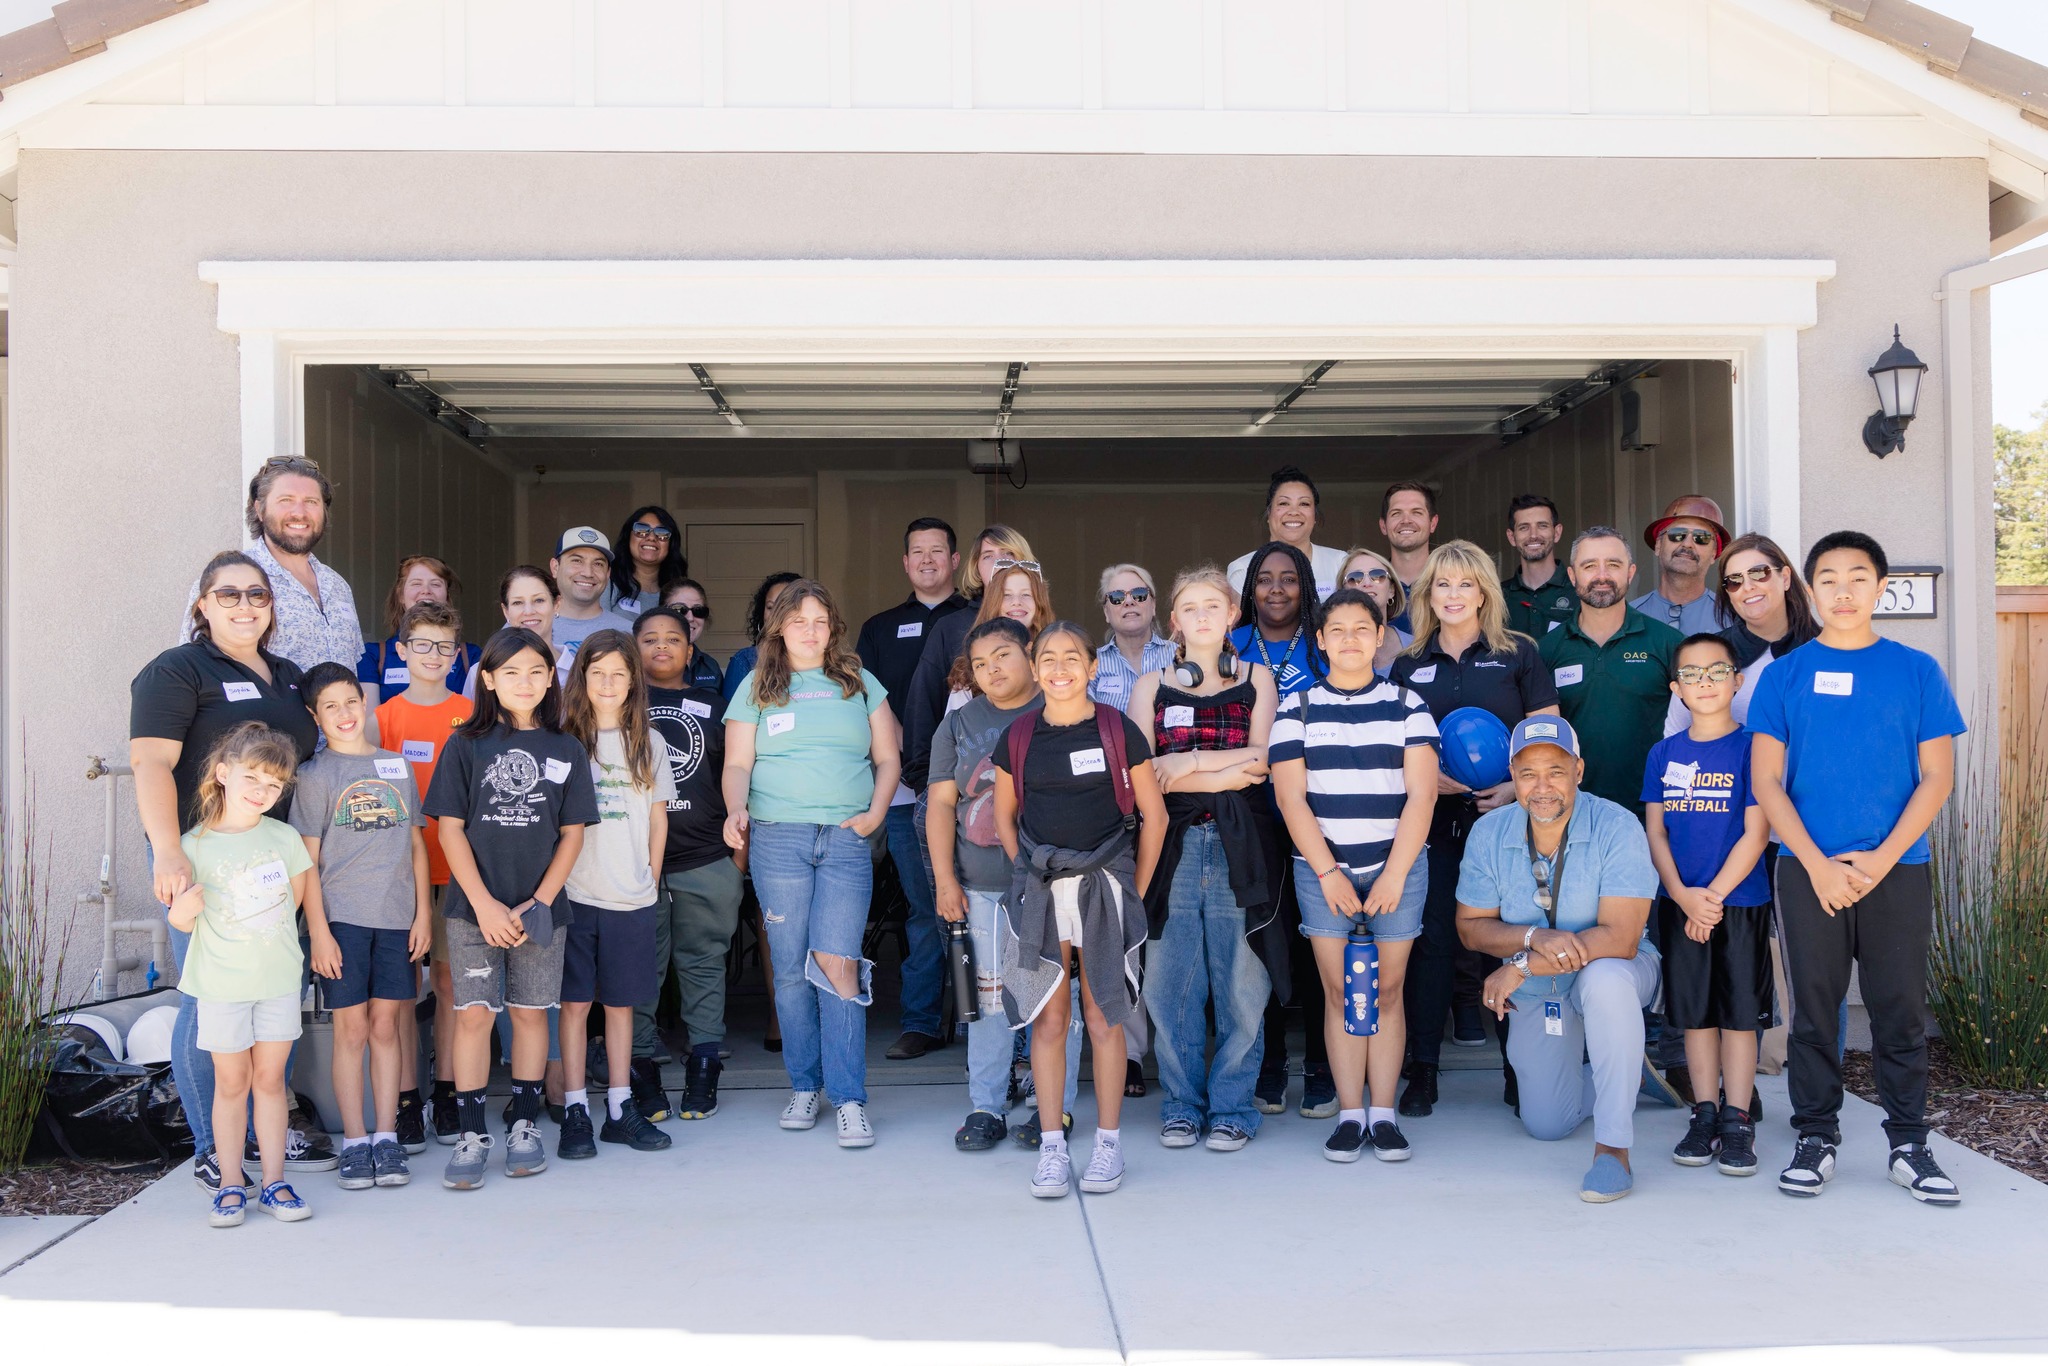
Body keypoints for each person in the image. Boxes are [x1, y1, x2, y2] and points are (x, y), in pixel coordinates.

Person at [1751, 530, 1966, 1205]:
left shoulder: (1916, 671)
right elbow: (1767, 783)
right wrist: (1816, 864)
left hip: (1896, 868)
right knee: (1814, 1012)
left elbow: (1935, 778)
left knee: (1899, 1008)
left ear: (1880, 588)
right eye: (1829, 578)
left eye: (1858, 577)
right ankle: (1816, 1137)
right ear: (1809, 589)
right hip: (1806, 869)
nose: (1843, 591)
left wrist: (1879, 859)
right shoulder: (1784, 676)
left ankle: (1909, 1142)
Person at [131, 551, 327, 1196]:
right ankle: (215, 1149)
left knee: (274, 991)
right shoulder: (178, 669)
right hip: (206, 865)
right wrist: (168, 852)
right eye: (229, 595)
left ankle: (261, 1136)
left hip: (277, 861)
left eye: (258, 595)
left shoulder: (288, 675)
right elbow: (153, 765)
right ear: (202, 606)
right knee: (207, 1001)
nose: (245, 606)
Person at [1455, 716, 1664, 1204]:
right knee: (1546, 1124)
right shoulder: (1489, 832)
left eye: (1556, 770)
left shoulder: (1617, 824)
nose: (1542, 786)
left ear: (1579, 770)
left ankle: (1613, 1150)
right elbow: (1470, 927)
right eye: (1528, 774)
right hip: (1542, 990)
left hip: (1619, 969)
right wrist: (1533, 936)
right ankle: (1630, 1073)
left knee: (1606, 978)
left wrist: (1521, 963)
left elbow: (1622, 938)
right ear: (1512, 775)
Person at [723, 581, 900, 1149]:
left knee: (839, 966)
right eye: (799, 620)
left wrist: (875, 815)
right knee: (791, 967)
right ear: (778, 626)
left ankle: (848, 1098)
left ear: (833, 628)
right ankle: (804, 1085)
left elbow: (889, 757)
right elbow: (736, 764)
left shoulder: (860, 682)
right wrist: (735, 811)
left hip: (846, 839)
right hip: (778, 839)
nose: (810, 630)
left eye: (821, 620)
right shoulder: (756, 686)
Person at [993, 622, 1168, 1199]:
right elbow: (1006, 818)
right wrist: (1032, 877)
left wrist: (1131, 889)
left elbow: (1154, 817)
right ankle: (1051, 1145)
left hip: (1105, 886)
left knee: (1103, 1016)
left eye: (1073, 657)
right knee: (1049, 1019)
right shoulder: (1018, 736)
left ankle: (1109, 1145)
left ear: (1093, 667)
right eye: (1048, 658)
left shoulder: (1118, 729)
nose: (1060, 667)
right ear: (1035, 668)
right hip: (1043, 893)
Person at [424, 626, 600, 1190]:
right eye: (512, 672)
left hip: (542, 912)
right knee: (474, 1014)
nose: (525, 682)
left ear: (551, 679)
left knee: (530, 1014)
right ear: (490, 680)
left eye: (536, 671)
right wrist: (485, 906)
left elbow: (572, 835)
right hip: (474, 910)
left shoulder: (567, 747)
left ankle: (524, 1126)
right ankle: (472, 1133)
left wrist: (537, 903)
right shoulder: (466, 744)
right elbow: (449, 828)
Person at [1388, 540, 1560, 1116]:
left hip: (1507, 823)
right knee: (1433, 941)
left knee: (1507, 941)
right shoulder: (1408, 664)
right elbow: (1391, 742)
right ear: (1427, 594)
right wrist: (1422, 777)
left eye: (1466, 584)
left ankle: (1518, 1070)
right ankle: (1423, 1071)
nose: (1454, 595)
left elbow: (1548, 739)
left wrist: (1516, 787)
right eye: (1443, 585)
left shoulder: (1519, 655)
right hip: (1428, 823)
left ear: (1484, 590)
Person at [1271, 587, 1439, 1162]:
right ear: (1320, 640)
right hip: (1324, 876)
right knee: (1341, 993)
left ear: (1379, 636)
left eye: (1360, 629)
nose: (1349, 639)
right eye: (1336, 629)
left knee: (1387, 992)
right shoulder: (1296, 708)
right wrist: (1329, 873)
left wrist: (1392, 875)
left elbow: (1421, 797)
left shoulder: (1407, 704)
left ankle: (1384, 1114)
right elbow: (1292, 799)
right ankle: (1349, 1114)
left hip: (1397, 869)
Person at [1128, 567, 1281, 1152]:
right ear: (1175, 620)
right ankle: (1182, 1106)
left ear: (1231, 615)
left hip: (1240, 843)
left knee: (1243, 980)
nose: (1200, 617)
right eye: (1188, 608)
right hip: (1171, 845)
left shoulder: (1256, 679)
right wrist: (1221, 764)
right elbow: (1146, 777)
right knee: (1170, 982)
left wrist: (1186, 763)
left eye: (1211, 607)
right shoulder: (1150, 686)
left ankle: (1234, 1109)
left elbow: (1262, 761)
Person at [165, 722, 318, 1227]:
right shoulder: (193, 845)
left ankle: (274, 1181)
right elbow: (180, 920)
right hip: (221, 986)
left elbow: (294, 901)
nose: (262, 791)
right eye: (253, 777)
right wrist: (183, 908)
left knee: (271, 1082)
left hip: (276, 980)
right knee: (232, 1085)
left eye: (274, 785)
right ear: (222, 773)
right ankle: (232, 1184)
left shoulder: (284, 836)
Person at [291, 663, 432, 1191]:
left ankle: (387, 1137)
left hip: (397, 920)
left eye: (351, 702)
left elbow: (416, 846)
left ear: (364, 701)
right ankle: (354, 1141)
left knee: (387, 1028)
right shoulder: (315, 775)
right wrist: (319, 931)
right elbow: (307, 862)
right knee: (350, 1031)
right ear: (315, 715)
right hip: (343, 922)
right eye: (331, 706)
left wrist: (423, 915)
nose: (345, 714)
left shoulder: (395, 765)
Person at [1644, 634, 1773, 1178]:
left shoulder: (1753, 748)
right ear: (1676, 689)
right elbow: (1655, 833)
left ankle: (1737, 1118)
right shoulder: (1663, 753)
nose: (1704, 683)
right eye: (1691, 675)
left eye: (1716, 672)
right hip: (1681, 902)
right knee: (1695, 1016)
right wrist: (1680, 895)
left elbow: (1757, 831)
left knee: (1739, 1017)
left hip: (1737, 902)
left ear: (1737, 681)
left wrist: (1712, 898)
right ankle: (1703, 1113)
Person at [928, 618, 1053, 1149]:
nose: (991, 670)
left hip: (1051, 884)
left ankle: (1055, 1109)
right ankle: (987, 1106)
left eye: (1002, 655)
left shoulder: (1058, 711)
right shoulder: (959, 723)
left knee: (1050, 1002)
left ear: (1030, 652)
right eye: (980, 664)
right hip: (980, 886)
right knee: (989, 1002)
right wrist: (944, 879)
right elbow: (939, 804)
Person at [854, 517, 971, 1061]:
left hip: (977, 792)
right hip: (903, 792)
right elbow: (865, 702)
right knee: (926, 908)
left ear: (954, 560)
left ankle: (985, 1020)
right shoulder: (880, 628)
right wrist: (897, 759)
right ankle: (923, 1022)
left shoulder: (977, 619)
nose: (927, 560)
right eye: (916, 552)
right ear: (905, 563)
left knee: (991, 905)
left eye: (937, 551)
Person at [557, 630, 675, 1159]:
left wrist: (650, 875)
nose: (608, 683)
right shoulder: (563, 739)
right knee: (577, 1004)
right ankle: (576, 1105)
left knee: (622, 1004)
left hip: (631, 895)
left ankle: (621, 1106)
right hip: (576, 893)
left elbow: (656, 816)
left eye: (618, 674)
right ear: (581, 678)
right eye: (597, 673)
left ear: (633, 682)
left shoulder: (648, 741)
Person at [632, 605, 744, 1123]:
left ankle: (704, 1065)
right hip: (633, 866)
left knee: (703, 964)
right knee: (637, 971)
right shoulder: (619, 706)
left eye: (672, 639)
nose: (661, 646)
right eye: (649, 638)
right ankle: (640, 1069)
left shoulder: (716, 705)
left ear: (690, 650)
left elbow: (743, 778)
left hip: (707, 859)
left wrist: (737, 857)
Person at [1230, 541, 1330, 1116]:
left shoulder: (1322, 644)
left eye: (1288, 579)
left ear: (1305, 586)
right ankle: (1268, 1064)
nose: (1275, 589)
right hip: (1249, 817)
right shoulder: (1230, 644)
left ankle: (1319, 1065)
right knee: (1262, 944)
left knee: (1317, 939)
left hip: (1320, 814)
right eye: (1264, 579)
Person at [373, 600, 472, 1148]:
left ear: (456, 655)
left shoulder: (472, 714)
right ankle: (406, 1099)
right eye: (422, 645)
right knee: (402, 990)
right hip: (396, 873)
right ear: (403, 652)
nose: (433, 656)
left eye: (444, 646)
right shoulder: (382, 718)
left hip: (454, 869)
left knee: (451, 984)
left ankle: (448, 1092)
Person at [1540, 527, 1682, 812]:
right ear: (1572, 576)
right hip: (1570, 814)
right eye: (1589, 565)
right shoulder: (1546, 651)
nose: (1601, 575)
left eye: (1613, 565)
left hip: (1650, 815)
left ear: (1630, 573)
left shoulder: (1668, 644)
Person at [181, 456, 363, 675]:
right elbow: (191, 672)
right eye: (286, 500)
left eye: (311, 501)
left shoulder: (337, 585)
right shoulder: (225, 582)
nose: (299, 512)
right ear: (259, 509)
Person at [901, 526, 1037, 794]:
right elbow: (923, 705)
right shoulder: (951, 627)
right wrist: (925, 783)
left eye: (1008, 554)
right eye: (989, 556)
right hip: (966, 784)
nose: (999, 563)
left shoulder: (1046, 629)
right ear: (975, 567)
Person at [1664, 532, 1819, 735]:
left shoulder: (1826, 649)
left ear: (1786, 578)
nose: (1747, 587)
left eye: (1759, 573)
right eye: (1734, 580)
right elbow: (1675, 738)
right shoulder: (1706, 655)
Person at [356, 555, 481, 707]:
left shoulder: (471, 656)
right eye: (416, 584)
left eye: (436, 584)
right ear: (401, 595)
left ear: (447, 595)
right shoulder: (373, 656)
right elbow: (370, 724)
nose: (426, 591)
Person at [1225, 466, 1347, 598]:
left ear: (1315, 517)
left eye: (1304, 504)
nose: (1294, 511)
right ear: (1269, 514)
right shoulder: (1243, 569)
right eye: (1284, 503)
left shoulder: (1339, 563)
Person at [464, 566, 574, 700]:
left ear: (556, 604)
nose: (528, 611)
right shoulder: (481, 672)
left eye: (539, 600)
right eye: (518, 602)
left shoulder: (577, 670)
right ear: (506, 611)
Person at [1632, 495, 1728, 636]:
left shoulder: (1732, 619)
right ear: (1658, 545)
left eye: (1701, 537)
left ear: (1714, 553)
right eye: (1677, 534)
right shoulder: (1629, 617)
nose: (1687, 544)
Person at [1091, 564, 1177, 717]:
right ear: (1106, 613)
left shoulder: (1179, 656)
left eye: (1139, 594)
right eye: (1117, 597)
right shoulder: (1091, 664)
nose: (1129, 601)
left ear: (1153, 606)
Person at [550, 527, 637, 670]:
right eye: (577, 561)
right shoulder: (528, 626)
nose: (588, 572)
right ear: (555, 567)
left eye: (598, 564)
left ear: (608, 573)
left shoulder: (628, 633)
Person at [1501, 494, 1577, 639]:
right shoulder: (1497, 597)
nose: (1533, 535)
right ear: (1512, 537)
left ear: (1557, 532)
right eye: (1524, 527)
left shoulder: (1580, 591)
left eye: (1542, 526)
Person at [721, 570, 803, 704]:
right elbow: (731, 719)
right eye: (770, 607)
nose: (776, 614)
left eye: (785, 606)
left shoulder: (820, 660)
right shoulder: (745, 660)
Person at [1379, 482, 1439, 636]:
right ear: (1383, 525)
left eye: (1416, 512)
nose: (1406, 520)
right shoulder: (1372, 584)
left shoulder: (1450, 583)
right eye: (1396, 513)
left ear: (1433, 523)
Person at [607, 505, 688, 616]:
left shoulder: (677, 593)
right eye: (641, 529)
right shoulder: (608, 583)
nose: (651, 537)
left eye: (662, 532)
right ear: (628, 537)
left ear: (671, 544)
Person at [1336, 548, 1408, 668]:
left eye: (1378, 575)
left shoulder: (1415, 646)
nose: (1367, 583)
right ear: (1342, 591)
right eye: (1355, 578)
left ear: (1391, 590)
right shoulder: (1331, 648)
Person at [660, 579, 725, 692]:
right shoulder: (644, 662)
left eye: (698, 610)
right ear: (661, 613)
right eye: (679, 609)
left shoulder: (710, 666)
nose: (690, 618)